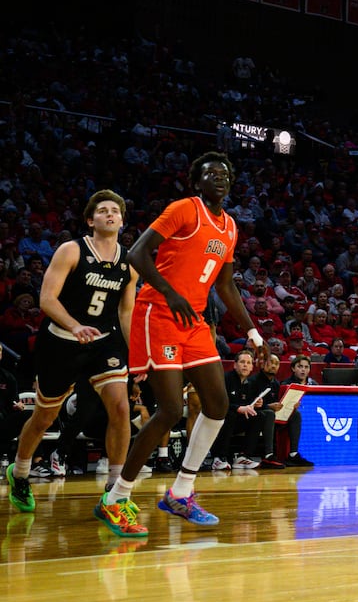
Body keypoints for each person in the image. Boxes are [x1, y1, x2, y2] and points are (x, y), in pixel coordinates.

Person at [102, 152, 268, 528]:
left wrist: (254, 332)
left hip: (192, 321)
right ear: (197, 182)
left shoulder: (228, 227)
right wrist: (168, 291)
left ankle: (180, 492)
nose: (219, 178)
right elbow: (137, 253)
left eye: (224, 173)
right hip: (158, 311)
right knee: (171, 410)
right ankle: (116, 497)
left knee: (217, 403)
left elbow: (224, 285)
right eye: (210, 173)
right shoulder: (183, 209)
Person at [6, 191, 141, 536]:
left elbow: (126, 312)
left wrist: (137, 352)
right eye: (103, 211)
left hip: (105, 342)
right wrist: (74, 325)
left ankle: (114, 492)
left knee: (121, 409)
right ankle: (20, 473)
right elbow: (47, 299)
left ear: (122, 221)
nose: (110, 215)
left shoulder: (130, 262)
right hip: (62, 342)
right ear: (90, 219)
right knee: (44, 416)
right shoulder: (71, 250)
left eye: (115, 211)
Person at [212, 349, 281, 469]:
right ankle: (219, 457)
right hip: (220, 420)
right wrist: (238, 408)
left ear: (251, 368)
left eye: (248, 363)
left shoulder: (250, 383)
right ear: (235, 365)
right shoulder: (226, 379)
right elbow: (219, 403)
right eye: (242, 362)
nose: (245, 365)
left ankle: (244, 456)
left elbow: (248, 404)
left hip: (237, 421)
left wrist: (257, 404)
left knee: (259, 416)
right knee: (231, 415)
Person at [280, 353, 315, 466]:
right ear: (293, 368)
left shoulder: (314, 384)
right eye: (300, 366)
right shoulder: (286, 384)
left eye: (306, 367)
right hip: (290, 419)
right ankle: (293, 454)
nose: (303, 370)